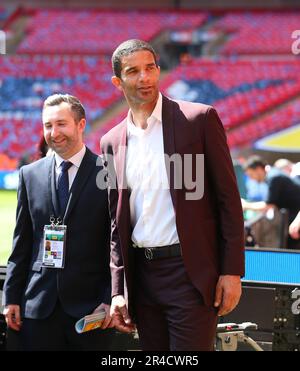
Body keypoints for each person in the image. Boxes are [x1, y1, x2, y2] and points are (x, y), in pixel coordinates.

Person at [100, 39, 245, 351]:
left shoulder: (199, 119)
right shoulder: (110, 143)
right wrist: (117, 290)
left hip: (189, 275)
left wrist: (232, 271)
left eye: (150, 68)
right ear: (118, 81)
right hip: (142, 279)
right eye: (133, 71)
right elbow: (116, 222)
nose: (145, 78)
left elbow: (228, 200)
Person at [3, 94, 113, 351]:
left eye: (61, 124)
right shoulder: (29, 175)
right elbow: (22, 244)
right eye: (48, 126)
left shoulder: (109, 173)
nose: (54, 132)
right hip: (38, 309)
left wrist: (110, 298)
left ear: (81, 124)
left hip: (90, 312)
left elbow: (117, 245)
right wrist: (11, 297)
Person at [242, 155, 300, 249]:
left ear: (258, 169)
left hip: (296, 220)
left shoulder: (274, 177)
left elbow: (268, 205)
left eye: (251, 175)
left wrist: (245, 205)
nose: (252, 179)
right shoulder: (272, 176)